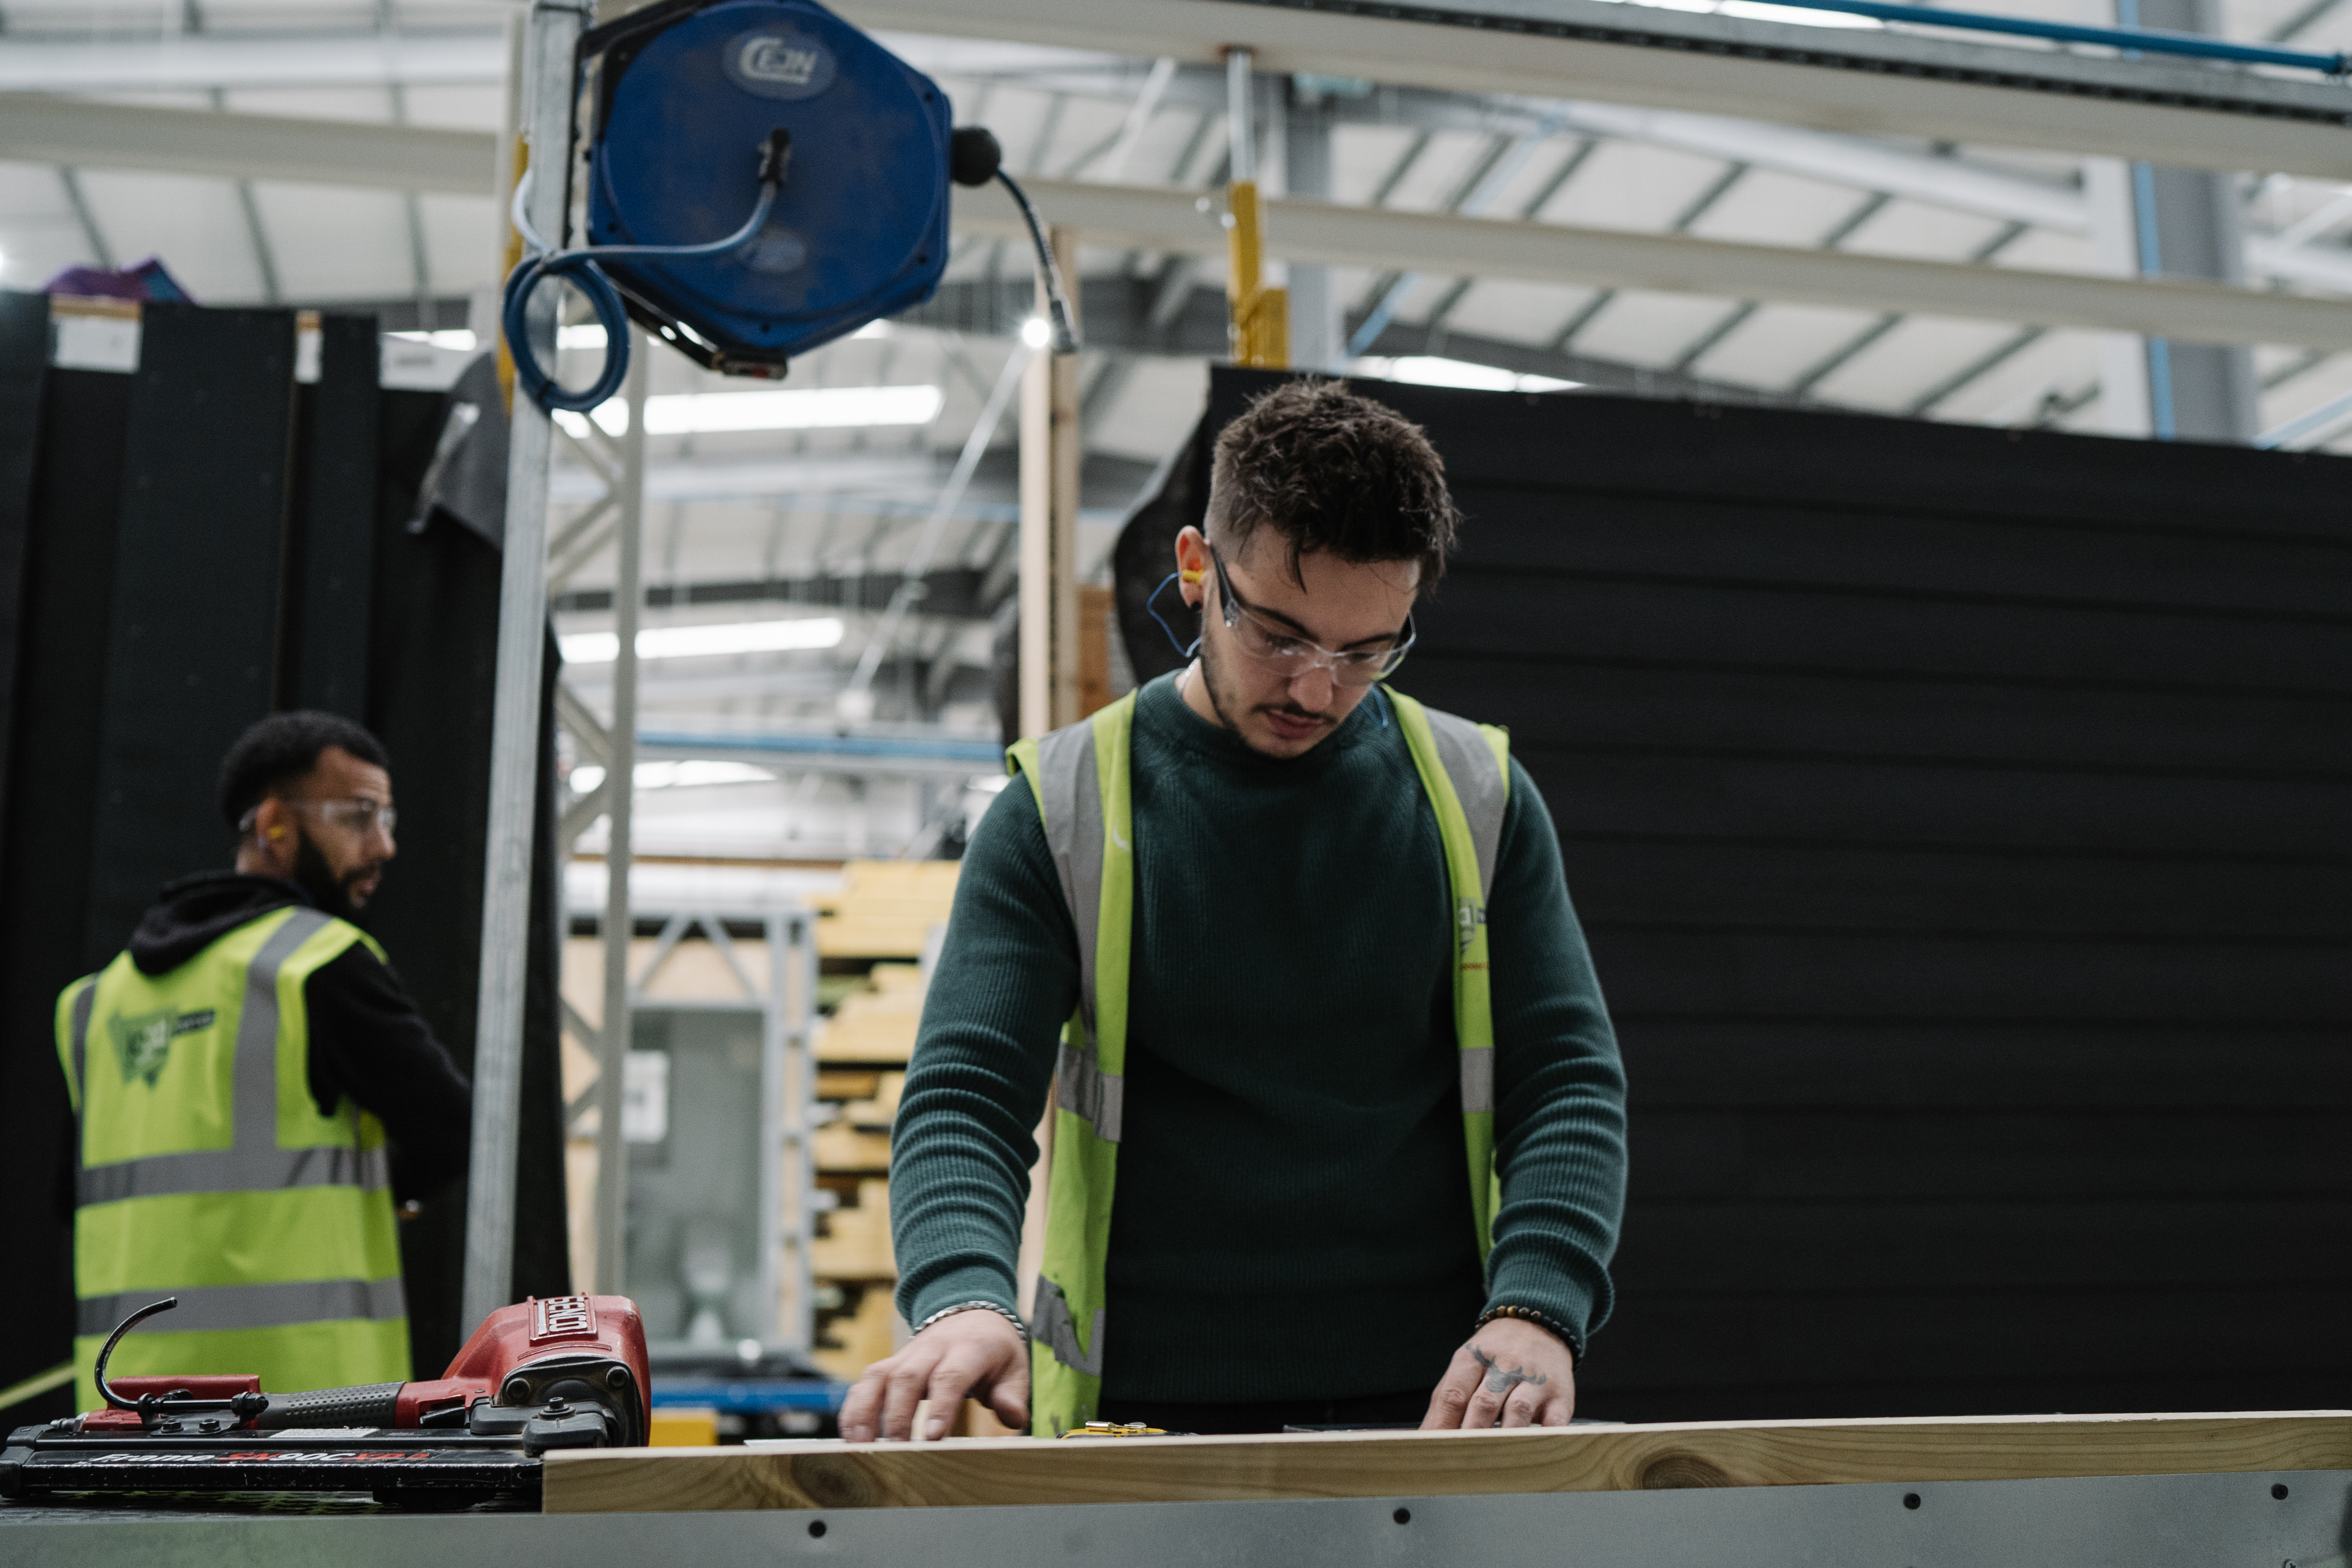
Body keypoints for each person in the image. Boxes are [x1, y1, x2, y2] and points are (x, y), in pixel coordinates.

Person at [844, 381, 1627, 1441]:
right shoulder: (1059, 810)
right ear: (1195, 567)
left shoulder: (1476, 796)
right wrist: (962, 1296)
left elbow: (1566, 1079)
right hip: (1142, 1414)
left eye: (1365, 651)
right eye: (1279, 634)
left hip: (1437, 1408)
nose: (1314, 688)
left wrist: (1538, 1303)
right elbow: (966, 1098)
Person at [55, 711, 471, 1409]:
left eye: (389, 819)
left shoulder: (96, 1004)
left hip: (125, 1431)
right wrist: (380, 1191)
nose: (385, 845)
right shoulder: (317, 965)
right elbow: (455, 1127)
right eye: (360, 815)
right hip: (304, 1430)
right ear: (273, 823)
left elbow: (78, 1203)